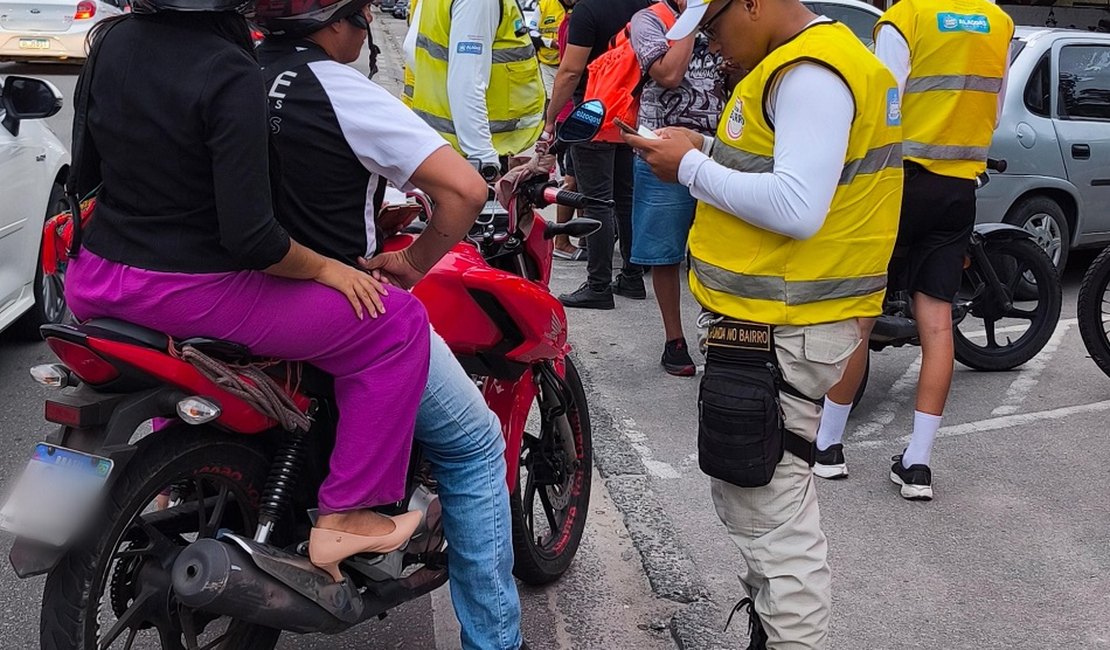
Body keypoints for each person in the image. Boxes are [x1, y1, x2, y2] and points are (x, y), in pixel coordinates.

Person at [63, 0, 428, 579]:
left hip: (94, 281)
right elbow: (254, 239)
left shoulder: (109, 41)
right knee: (397, 323)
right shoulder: (228, 69)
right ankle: (348, 516)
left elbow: (87, 176)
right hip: (186, 291)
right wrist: (332, 270)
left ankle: (172, 486)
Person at [624, 0, 903, 644]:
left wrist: (689, 168)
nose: (710, 46)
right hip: (779, 324)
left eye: (714, 27)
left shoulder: (808, 74)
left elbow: (798, 205)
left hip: (780, 328)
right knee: (764, 494)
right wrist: (708, 146)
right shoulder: (808, 64)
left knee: (771, 519)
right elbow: (782, 166)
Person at [253, 1, 526, 648]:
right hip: (333, 302)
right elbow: (464, 191)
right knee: (477, 445)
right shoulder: (340, 88)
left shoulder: (239, 69)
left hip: (232, 292)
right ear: (337, 22)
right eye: (359, 14)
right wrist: (412, 260)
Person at [812, 0, 1013, 501]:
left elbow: (883, 101)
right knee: (939, 322)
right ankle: (918, 464)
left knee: (861, 312)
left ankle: (828, 447)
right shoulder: (998, 21)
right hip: (959, 187)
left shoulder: (908, 16)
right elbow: (998, 108)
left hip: (899, 183)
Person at [628, 0, 725, 376]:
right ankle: (674, 340)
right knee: (665, 252)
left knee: (717, 248)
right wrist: (692, 19)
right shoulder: (650, 20)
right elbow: (668, 74)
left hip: (716, 147)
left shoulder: (722, 15)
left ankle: (719, 334)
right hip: (661, 150)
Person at [544, 0, 651, 310]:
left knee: (597, 202)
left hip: (591, 116)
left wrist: (551, 121)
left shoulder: (588, 11)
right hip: (628, 116)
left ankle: (598, 285)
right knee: (625, 199)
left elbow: (570, 71)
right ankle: (631, 276)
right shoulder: (642, 6)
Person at [405, 0, 546, 179]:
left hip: (442, 143)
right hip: (475, 153)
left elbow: (410, 49)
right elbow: (467, 83)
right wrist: (484, 157)